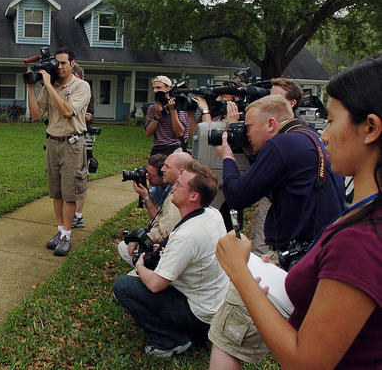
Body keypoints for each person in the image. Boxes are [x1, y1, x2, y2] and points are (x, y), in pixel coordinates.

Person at [215, 54, 382, 369]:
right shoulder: (361, 212)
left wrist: (239, 270)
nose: (326, 134)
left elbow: (306, 361)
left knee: (225, 344)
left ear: (370, 128)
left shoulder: (360, 240)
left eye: (331, 120)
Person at [208, 94, 345, 368]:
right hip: (316, 259)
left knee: (226, 343)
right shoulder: (312, 140)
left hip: (286, 263)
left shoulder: (282, 145)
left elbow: (236, 196)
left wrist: (227, 156)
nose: (245, 134)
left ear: (271, 124)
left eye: (248, 127)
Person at [113, 160, 228, 357]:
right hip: (215, 307)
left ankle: (171, 340)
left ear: (194, 196)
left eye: (179, 185)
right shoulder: (212, 214)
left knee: (123, 286)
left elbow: (157, 285)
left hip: (200, 318)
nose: (173, 187)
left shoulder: (187, 237)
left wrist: (140, 266)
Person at [27, 47, 91, 256]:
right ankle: (60, 231)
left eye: (64, 63)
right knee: (56, 193)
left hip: (72, 144)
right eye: (57, 63)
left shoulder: (81, 86)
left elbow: (67, 111)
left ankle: (67, 235)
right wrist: (30, 87)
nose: (59, 67)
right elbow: (36, 115)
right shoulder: (50, 87)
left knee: (69, 193)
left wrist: (47, 85)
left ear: (73, 63)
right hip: (52, 143)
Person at [249, 78, 306, 256]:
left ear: (292, 103)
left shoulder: (294, 135)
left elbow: (239, 195)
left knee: (262, 249)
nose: (268, 101)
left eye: (275, 97)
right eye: (268, 96)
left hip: (282, 203)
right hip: (270, 197)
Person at [118, 152, 192, 266]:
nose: (163, 169)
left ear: (181, 172)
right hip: (164, 240)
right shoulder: (168, 189)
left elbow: (164, 230)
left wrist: (142, 238)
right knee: (126, 245)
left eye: (167, 167)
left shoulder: (178, 195)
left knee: (124, 248)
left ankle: (147, 268)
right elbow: (159, 221)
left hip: (168, 250)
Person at [72, 64, 94, 229]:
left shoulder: (85, 91)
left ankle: (78, 216)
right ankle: (70, 211)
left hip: (83, 136)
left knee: (80, 176)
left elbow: (88, 116)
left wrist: (73, 110)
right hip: (63, 138)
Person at [145, 75, 189, 156]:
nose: (155, 91)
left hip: (176, 147)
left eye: (158, 88)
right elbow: (148, 133)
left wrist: (173, 110)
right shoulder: (152, 108)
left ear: (168, 88)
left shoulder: (179, 105)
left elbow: (179, 133)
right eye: (153, 88)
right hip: (158, 147)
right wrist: (157, 116)